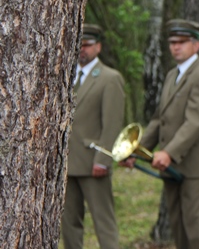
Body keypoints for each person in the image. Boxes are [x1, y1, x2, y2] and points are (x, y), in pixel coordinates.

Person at [123, 19, 199, 249]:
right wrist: (135, 151)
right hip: (170, 165)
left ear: (196, 45)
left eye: (182, 42)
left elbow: (196, 122)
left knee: (195, 226)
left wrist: (169, 153)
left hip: (191, 166)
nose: (176, 47)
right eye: (173, 42)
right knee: (178, 226)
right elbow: (159, 120)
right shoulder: (173, 74)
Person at [63, 23, 125, 249]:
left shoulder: (110, 78)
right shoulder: (65, 76)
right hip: (67, 163)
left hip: (93, 162)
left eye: (87, 45)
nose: (82, 49)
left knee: (103, 222)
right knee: (69, 223)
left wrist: (103, 159)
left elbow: (112, 123)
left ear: (98, 47)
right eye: (78, 45)